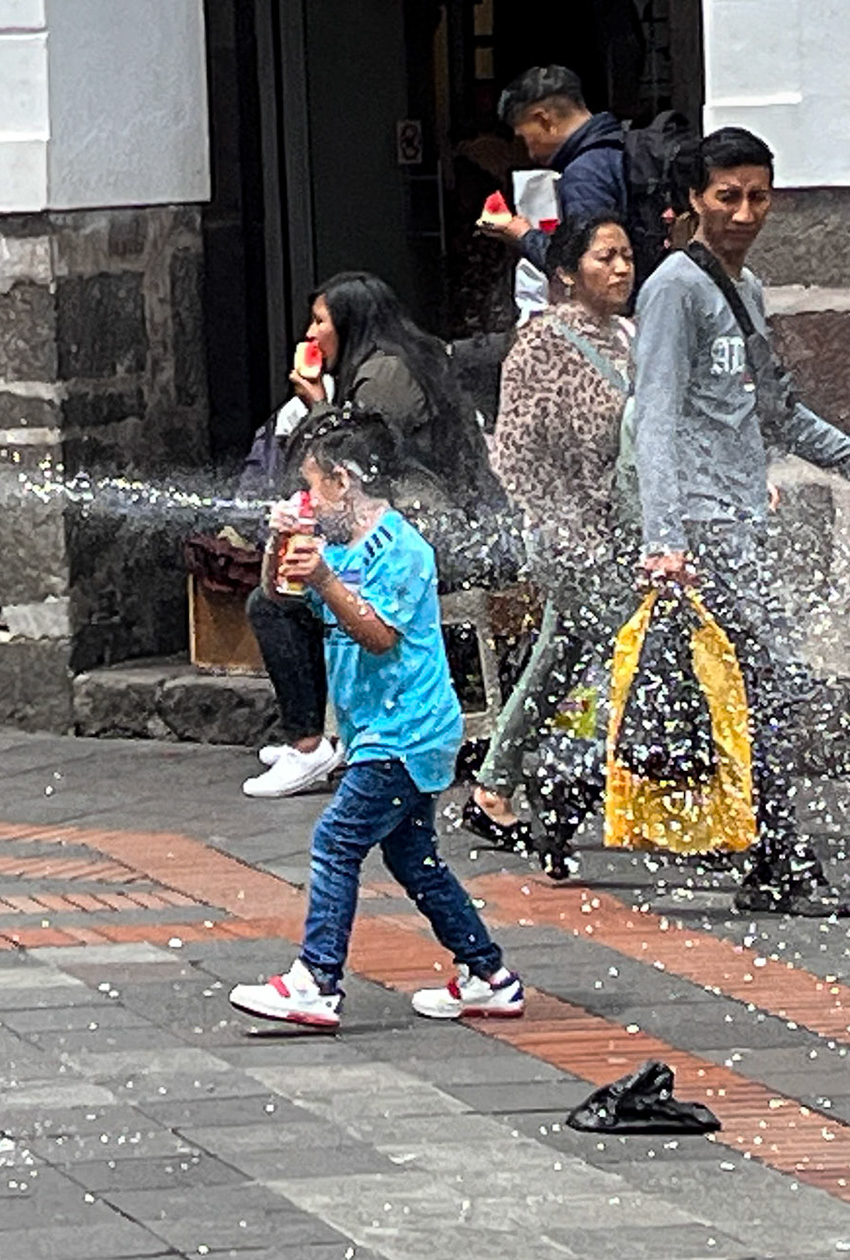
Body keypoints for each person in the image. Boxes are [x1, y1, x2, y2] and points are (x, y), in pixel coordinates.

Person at [229, 411, 524, 1029]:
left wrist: (327, 579)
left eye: (310, 484)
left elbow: (380, 636)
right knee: (413, 859)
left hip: (409, 730)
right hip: (374, 731)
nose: (303, 498)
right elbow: (277, 598)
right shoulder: (334, 545)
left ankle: (317, 980)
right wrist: (278, 549)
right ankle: (489, 975)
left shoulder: (403, 549)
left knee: (335, 842)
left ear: (344, 480)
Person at [633, 126, 850, 918]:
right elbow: (653, 416)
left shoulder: (747, 291)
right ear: (693, 198)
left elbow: (776, 411)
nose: (744, 212)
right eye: (727, 196)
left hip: (739, 519)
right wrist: (665, 538)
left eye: (758, 196)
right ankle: (781, 859)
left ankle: (768, 856)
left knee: (736, 690)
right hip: (699, 525)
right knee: (771, 684)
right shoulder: (671, 291)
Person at [243, 271, 495, 799]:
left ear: (351, 321)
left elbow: (362, 459)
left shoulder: (385, 375)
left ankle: (308, 744)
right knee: (284, 587)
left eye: (320, 321)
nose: (311, 335)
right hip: (423, 524)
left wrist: (316, 402)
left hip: (422, 537)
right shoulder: (399, 358)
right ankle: (314, 734)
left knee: (274, 606)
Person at [465, 215, 637, 874]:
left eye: (626, 256)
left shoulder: (627, 336)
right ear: (566, 272)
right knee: (639, 652)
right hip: (572, 540)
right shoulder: (542, 344)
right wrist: (561, 528)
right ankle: (571, 796)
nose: (621, 268)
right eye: (605, 257)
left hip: (617, 534)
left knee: (558, 657)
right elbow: (517, 453)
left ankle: (496, 784)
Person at [484, 66, 627, 273]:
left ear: (543, 119)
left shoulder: (584, 174)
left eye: (523, 138)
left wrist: (523, 235)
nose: (529, 154)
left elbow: (585, 264)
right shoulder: (616, 145)